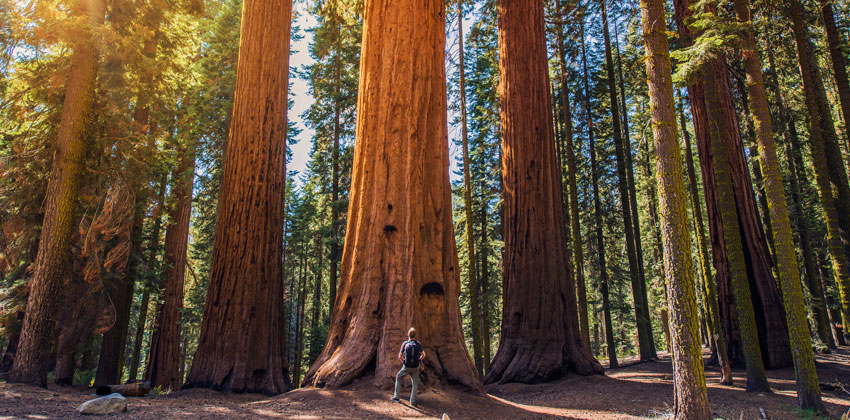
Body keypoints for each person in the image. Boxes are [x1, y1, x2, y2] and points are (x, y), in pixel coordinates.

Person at [391, 327, 426, 406]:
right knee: (415, 383)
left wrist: (404, 361)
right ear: (415, 335)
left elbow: (399, 356)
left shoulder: (405, 343)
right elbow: (424, 355)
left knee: (399, 378)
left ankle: (396, 397)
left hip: (406, 367)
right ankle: (412, 402)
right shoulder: (418, 344)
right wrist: (419, 360)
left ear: (408, 335)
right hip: (415, 367)